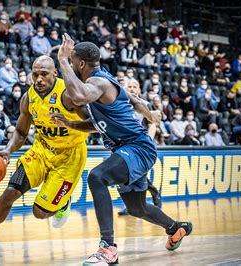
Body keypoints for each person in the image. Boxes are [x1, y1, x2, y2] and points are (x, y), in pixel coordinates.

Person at [56, 36, 192, 265]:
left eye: (72, 61)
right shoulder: (106, 83)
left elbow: (78, 95)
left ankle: (107, 247)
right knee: (136, 208)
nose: (70, 64)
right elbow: (133, 102)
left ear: (80, 64)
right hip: (130, 150)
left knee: (97, 177)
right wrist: (70, 124)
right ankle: (176, 228)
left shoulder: (98, 83)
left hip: (137, 149)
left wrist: (62, 60)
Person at [0, 56, 89, 260]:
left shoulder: (69, 94)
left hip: (69, 157)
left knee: (39, 212)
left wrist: (69, 124)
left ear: (55, 73)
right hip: (41, 150)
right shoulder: (28, 98)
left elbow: (93, 123)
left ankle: (63, 201)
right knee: (10, 192)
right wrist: (8, 150)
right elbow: (20, 131)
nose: (39, 79)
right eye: (35, 74)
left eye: (44, 74)